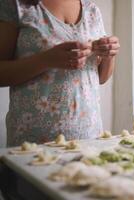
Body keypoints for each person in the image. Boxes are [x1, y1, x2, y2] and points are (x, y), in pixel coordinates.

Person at [0, 0, 120, 146]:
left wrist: (109, 55)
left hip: (90, 138)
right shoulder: (16, 5)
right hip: (33, 144)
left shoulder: (91, 10)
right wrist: (46, 60)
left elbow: (101, 78)